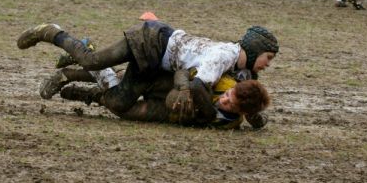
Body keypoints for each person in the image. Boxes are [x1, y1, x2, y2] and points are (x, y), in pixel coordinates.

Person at [16, 21, 278, 121]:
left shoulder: (242, 69)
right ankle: (51, 31)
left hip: (158, 63)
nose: (267, 64)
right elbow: (197, 86)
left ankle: (72, 76)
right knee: (93, 60)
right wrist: (208, 115)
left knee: (118, 99)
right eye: (267, 58)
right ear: (255, 50)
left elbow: (249, 96)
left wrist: (256, 116)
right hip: (153, 43)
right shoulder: (223, 57)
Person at [55, 67, 271, 130]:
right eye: (227, 96)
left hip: (168, 113)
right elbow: (184, 71)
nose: (224, 100)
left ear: (242, 112)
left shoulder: (232, 123)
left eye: (230, 104)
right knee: (120, 84)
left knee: (123, 111)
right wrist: (184, 89)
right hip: (164, 83)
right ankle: (88, 63)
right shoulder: (223, 81)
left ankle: (88, 95)